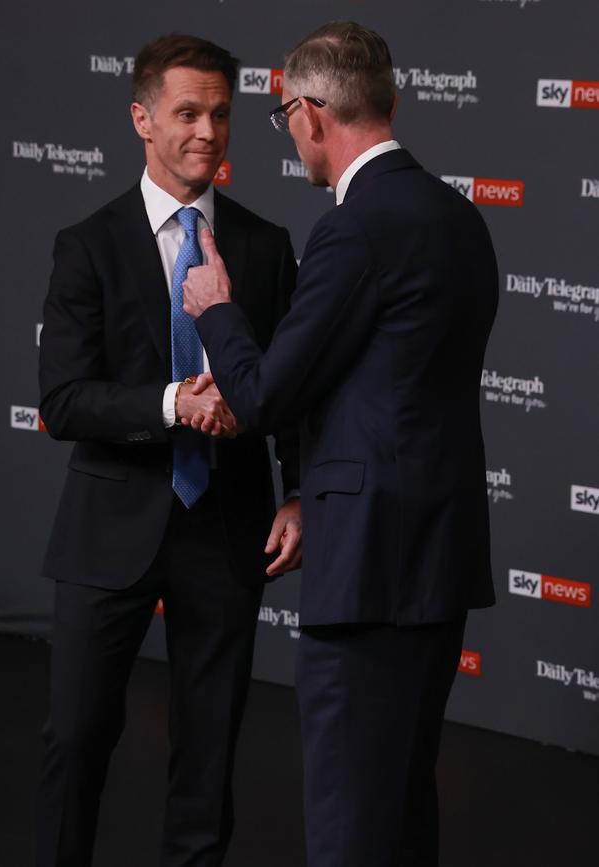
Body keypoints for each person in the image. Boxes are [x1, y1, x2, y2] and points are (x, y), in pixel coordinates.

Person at [183, 20, 498, 867]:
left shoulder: (354, 228)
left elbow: (261, 394)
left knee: (352, 827)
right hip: (436, 559)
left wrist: (215, 305)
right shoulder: (460, 216)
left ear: (314, 112)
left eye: (286, 111)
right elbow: (382, 392)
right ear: (389, 103)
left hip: (368, 574)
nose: (288, 131)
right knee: (401, 810)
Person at [36, 33, 301, 867]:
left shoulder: (265, 245)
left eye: (221, 114)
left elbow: (290, 392)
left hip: (226, 528)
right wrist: (170, 404)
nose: (207, 131)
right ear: (142, 118)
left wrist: (297, 491)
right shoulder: (88, 243)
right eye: (188, 112)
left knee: (209, 749)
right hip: (109, 525)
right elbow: (64, 399)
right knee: (76, 738)